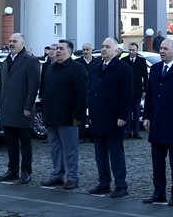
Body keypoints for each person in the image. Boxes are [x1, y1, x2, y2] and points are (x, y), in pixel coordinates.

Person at [141, 37, 173, 206]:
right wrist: (146, 116)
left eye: (165, 48)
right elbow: (149, 94)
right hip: (157, 122)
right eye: (160, 49)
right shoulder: (155, 69)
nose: (162, 51)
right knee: (157, 162)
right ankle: (159, 192)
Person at [86, 38, 133, 198]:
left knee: (115, 153)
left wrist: (122, 116)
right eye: (102, 46)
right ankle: (103, 182)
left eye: (107, 47)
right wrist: (91, 115)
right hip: (98, 117)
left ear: (116, 50)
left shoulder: (122, 69)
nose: (104, 49)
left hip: (114, 119)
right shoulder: (97, 68)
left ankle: (121, 184)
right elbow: (92, 92)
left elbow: (126, 95)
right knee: (100, 154)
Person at [39, 39, 87, 190]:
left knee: (70, 149)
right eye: (56, 48)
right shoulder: (50, 68)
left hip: (68, 118)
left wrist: (78, 116)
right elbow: (45, 91)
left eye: (61, 49)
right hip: (51, 116)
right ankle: (57, 175)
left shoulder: (77, 68)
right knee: (55, 149)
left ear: (70, 52)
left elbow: (82, 94)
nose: (57, 51)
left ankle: (72, 177)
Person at [0, 33, 39, 184]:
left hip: (22, 110)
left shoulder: (31, 61)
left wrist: (28, 107)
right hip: (7, 109)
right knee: (10, 143)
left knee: (25, 144)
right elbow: (1, 85)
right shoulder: (5, 61)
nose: (11, 43)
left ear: (22, 43)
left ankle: (26, 171)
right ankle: (12, 170)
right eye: (10, 41)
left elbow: (33, 86)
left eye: (15, 41)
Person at [121, 42, 148, 139]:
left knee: (136, 112)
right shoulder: (123, 60)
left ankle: (136, 131)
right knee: (127, 112)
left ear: (137, 51)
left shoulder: (141, 61)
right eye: (130, 50)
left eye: (133, 50)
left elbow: (145, 77)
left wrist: (145, 90)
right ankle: (127, 131)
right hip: (126, 91)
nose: (131, 52)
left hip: (137, 91)